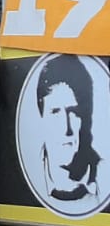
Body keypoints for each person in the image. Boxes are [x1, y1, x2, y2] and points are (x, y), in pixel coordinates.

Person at [33, 57, 103, 210]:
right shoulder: (24, 178)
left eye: (73, 112)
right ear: (41, 118)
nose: (66, 129)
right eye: (55, 112)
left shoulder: (103, 177)